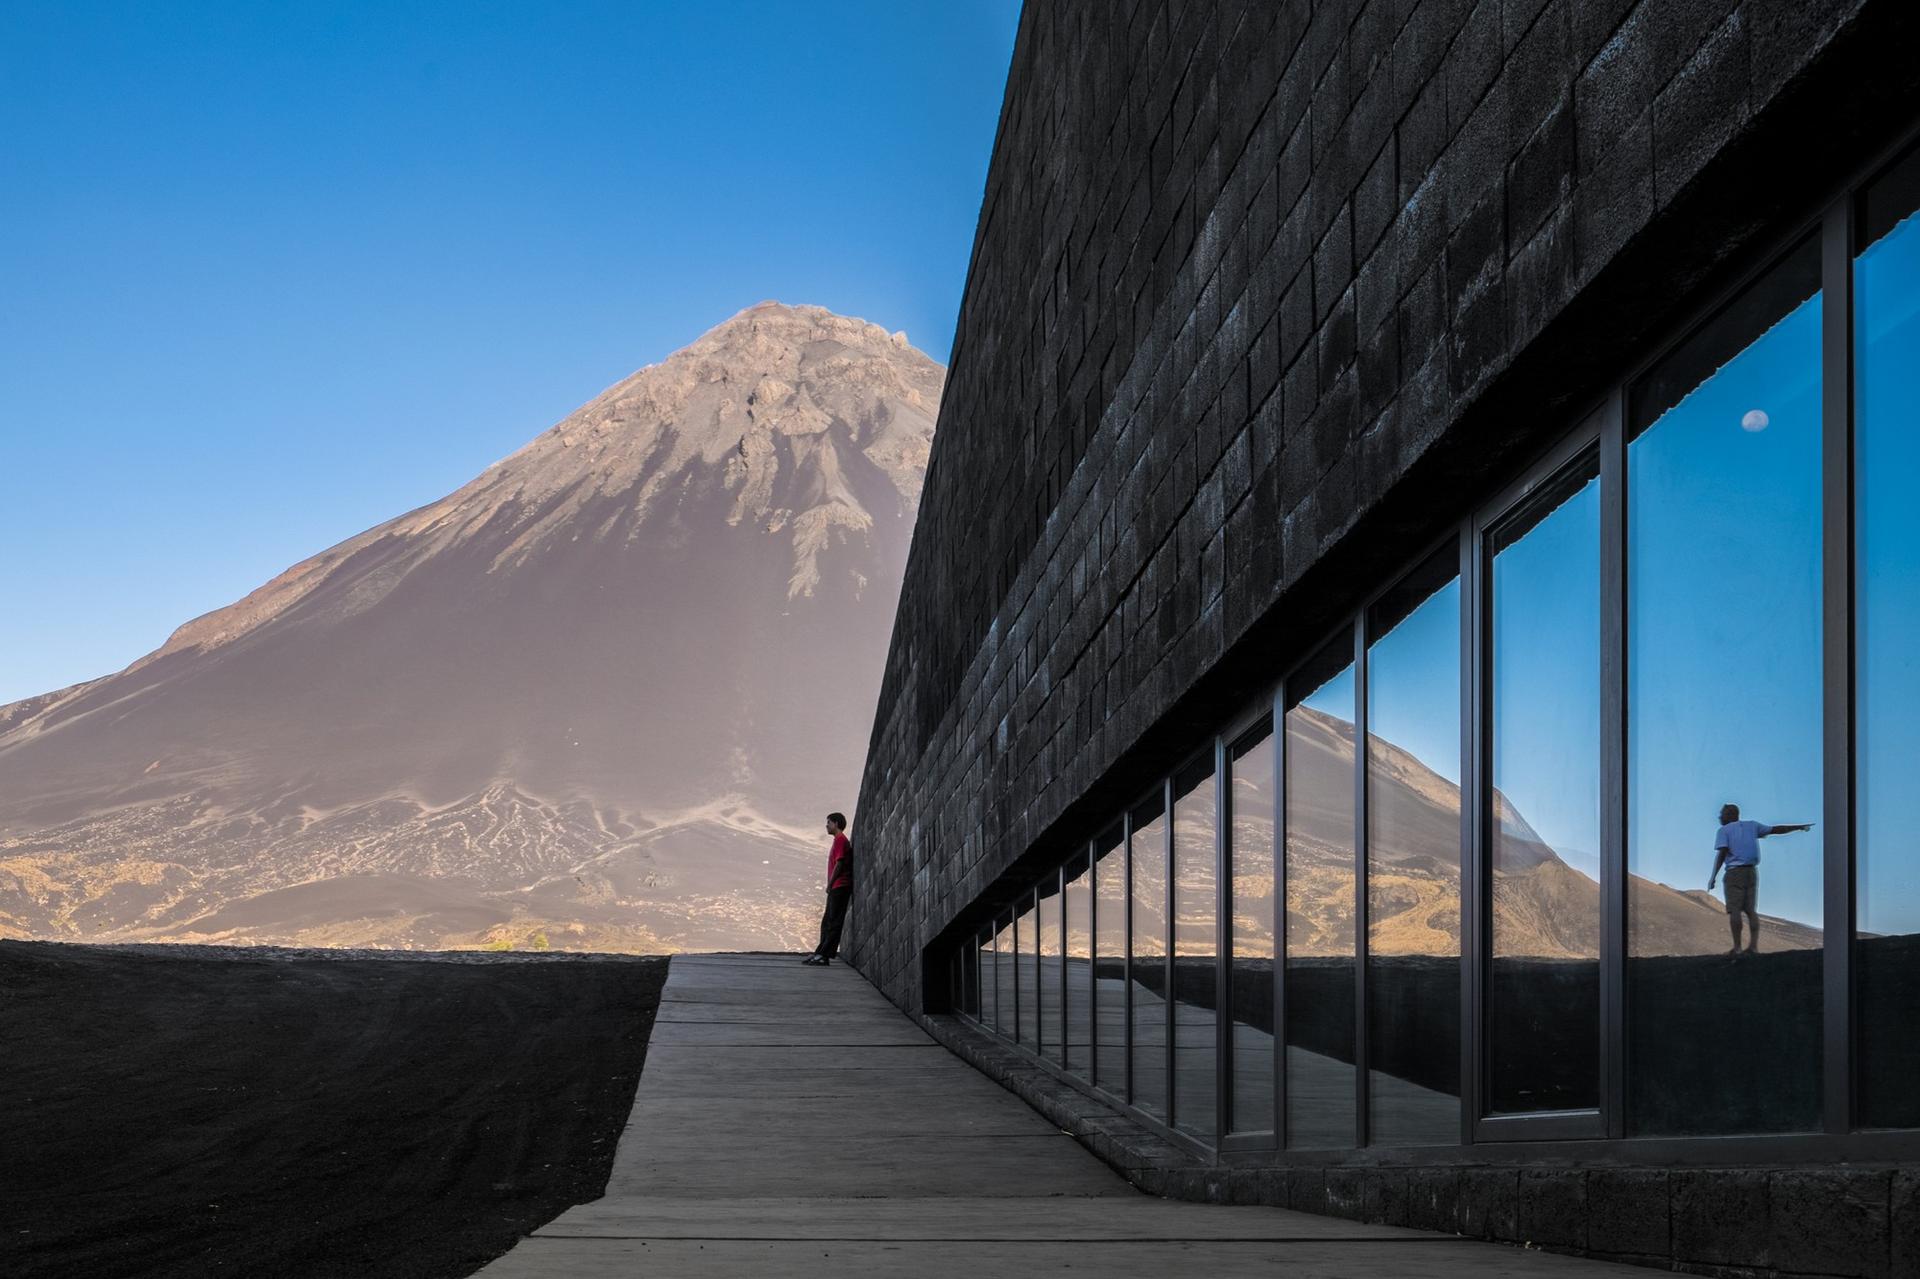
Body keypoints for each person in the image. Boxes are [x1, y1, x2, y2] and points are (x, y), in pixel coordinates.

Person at [1707, 803, 1813, 955]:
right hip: (1751, 872)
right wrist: (1798, 827)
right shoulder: (1752, 826)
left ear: (1729, 815)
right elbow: (1776, 829)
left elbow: (1722, 853)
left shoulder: (1724, 831)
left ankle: (1737, 947)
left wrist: (1713, 877)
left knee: (1735, 910)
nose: (1719, 817)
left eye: (1722, 814)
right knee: (1751, 910)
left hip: (1734, 872)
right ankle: (1753, 946)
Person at [802, 812, 852, 966]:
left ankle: (824, 956)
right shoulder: (838, 840)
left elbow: (839, 863)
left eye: (829, 822)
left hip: (840, 886)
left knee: (833, 922)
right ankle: (820, 952)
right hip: (836, 887)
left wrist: (830, 883)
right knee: (827, 922)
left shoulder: (840, 840)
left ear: (836, 823)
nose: (826, 825)